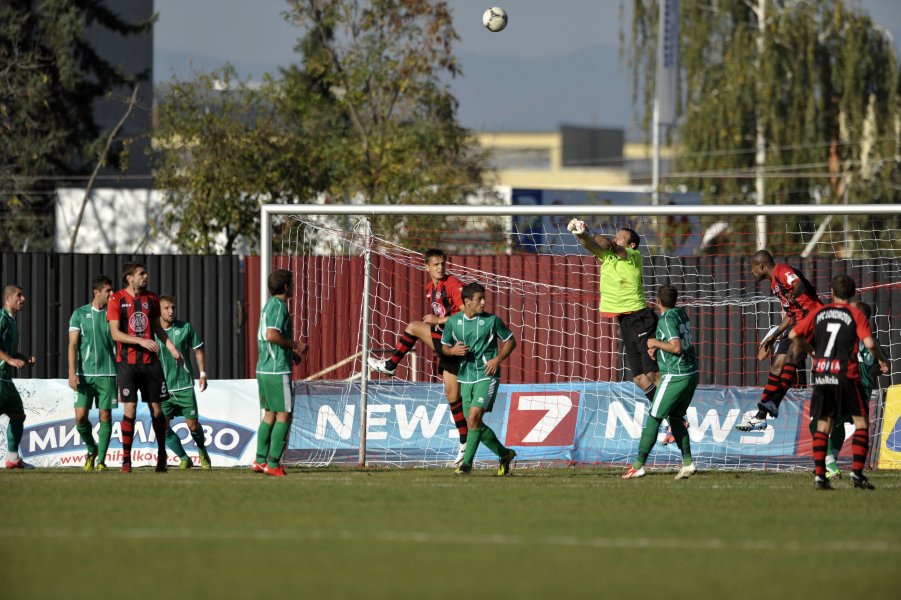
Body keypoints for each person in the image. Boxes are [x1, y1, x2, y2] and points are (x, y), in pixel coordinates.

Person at [367, 248, 469, 467]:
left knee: (413, 327)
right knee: (452, 396)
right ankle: (464, 444)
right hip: (446, 340)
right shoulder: (429, 288)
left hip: (457, 341)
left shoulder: (452, 284)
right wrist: (438, 324)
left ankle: (390, 365)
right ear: (427, 267)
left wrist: (438, 321)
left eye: (442, 263)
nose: (440, 267)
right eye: (436, 264)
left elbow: (466, 312)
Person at [789, 274, 889, 491]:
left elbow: (794, 334)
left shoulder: (819, 313)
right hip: (846, 376)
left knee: (823, 425)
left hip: (823, 375)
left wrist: (812, 352)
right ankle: (857, 473)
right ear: (852, 295)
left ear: (832, 293)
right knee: (861, 424)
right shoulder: (855, 314)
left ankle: (820, 476)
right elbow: (870, 342)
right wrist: (882, 361)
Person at [568, 219, 660, 402]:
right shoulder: (607, 256)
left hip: (640, 317)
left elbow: (609, 245)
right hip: (625, 321)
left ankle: (675, 419)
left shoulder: (632, 255)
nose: (616, 239)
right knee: (639, 378)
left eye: (620, 237)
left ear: (631, 244)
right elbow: (590, 244)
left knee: (654, 375)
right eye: (616, 236)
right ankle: (668, 415)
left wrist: (589, 229)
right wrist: (579, 234)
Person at [107, 262, 182, 473]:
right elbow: (115, 333)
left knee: (157, 411)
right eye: (141, 273)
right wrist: (140, 341)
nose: (146, 276)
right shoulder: (116, 299)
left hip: (151, 364)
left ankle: (161, 457)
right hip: (127, 365)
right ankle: (126, 460)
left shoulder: (151, 299)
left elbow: (158, 329)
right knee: (129, 408)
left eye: (145, 273)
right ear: (130, 278)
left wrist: (172, 349)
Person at [736, 250, 823, 431]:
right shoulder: (774, 284)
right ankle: (762, 414)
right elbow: (790, 316)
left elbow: (798, 285)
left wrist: (794, 293)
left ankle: (773, 403)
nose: (752, 273)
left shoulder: (782, 270)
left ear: (761, 266)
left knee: (792, 356)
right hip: (796, 321)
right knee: (777, 364)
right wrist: (773, 336)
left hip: (811, 317)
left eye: (753, 269)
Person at [622, 284, 699, 480]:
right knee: (674, 417)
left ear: (657, 302)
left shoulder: (665, 319)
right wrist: (657, 348)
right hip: (692, 374)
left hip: (675, 375)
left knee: (654, 416)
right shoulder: (681, 314)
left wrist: (654, 343)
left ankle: (638, 465)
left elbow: (676, 348)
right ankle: (688, 463)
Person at [441, 282, 517, 476]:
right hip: (465, 377)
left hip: (487, 375)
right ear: (467, 302)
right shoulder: (453, 322)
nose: (483, 302)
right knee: (473, 424)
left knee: (474, 417)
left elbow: (510, 341)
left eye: (484, 298)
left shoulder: (492, 321)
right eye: (479, 299)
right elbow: (444, 346)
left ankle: (466, 465)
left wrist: (497, 359)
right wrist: (452, 350)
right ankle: (504, 454)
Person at [807, 300, 883, 480]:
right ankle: (832, 460)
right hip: (863, 391)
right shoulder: (871, 338)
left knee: (815, 423)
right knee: (839, 424)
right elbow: (879, 365)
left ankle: (830, 466)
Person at [254, 269, 307, 477]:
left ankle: (259, 460)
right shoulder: (278, 306)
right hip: (276, 371)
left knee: (270, 414)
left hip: (265, 368)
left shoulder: (269, 305)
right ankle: (273, 464)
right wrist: (295, 346)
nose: (293, 287)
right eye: (292, 284)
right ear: (286, 287)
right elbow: (271, 335)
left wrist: (288, 353)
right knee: (285, 414)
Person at [156, 296, 212, 470]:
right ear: (159, 311)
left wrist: (202, 374)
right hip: (162, 388)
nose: (171, 311)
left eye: (173, 307)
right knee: (163, 427)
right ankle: (183, 458)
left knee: (192, 425)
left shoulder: (185, 327)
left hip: (184, 386)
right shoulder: (151, 332)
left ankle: (202, 451)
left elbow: (198, 350)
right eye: (166, 308)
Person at [67, 275, 117, 471]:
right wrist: (72, 373)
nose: (112, 294)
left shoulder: (113, 315)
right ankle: (92, 449)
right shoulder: (79, 314)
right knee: (80, 418)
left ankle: (101, 461)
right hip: (85, 375)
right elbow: (72, 345)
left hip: (108, 374)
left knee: (105, 416)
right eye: (108, 291)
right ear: (97, 293)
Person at [1, 284, 36, 469]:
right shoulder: (1, 318)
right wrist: (10, 361)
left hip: (6, 381)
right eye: (19, 295)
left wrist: (22, 357)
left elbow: (8, 350)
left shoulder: (12, 321)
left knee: (18, 416)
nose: (23, 299)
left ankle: (13, 459)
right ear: (8, 299)